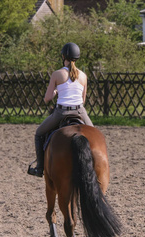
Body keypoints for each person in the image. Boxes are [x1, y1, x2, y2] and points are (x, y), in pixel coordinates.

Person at [28, 42, 93, 177]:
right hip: (80, 111)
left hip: (61, 112)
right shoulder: (84, 76)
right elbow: (83, 99)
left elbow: (47, 98)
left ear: (63, 56)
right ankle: (95, 170)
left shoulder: (57, 74)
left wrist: (56, 91)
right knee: (95, 135)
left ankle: (40, 168)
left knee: (39, 133)